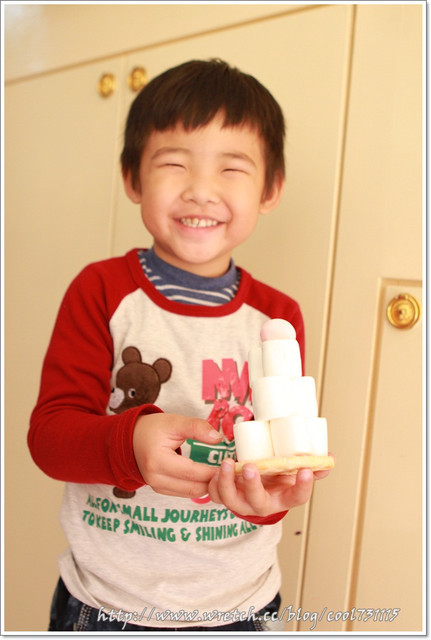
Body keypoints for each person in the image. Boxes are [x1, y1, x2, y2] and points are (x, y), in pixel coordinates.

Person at [28, 58, 331, 632]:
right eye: (173, 163)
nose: (201, 191)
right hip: (107, 603)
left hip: (242, 604)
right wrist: (129, 440)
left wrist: (270, 501)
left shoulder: (276, 319)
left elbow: (274, 458)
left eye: (231, 168)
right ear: (132, 178)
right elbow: (50, 438)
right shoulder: (100, 292)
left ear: (270, 189)